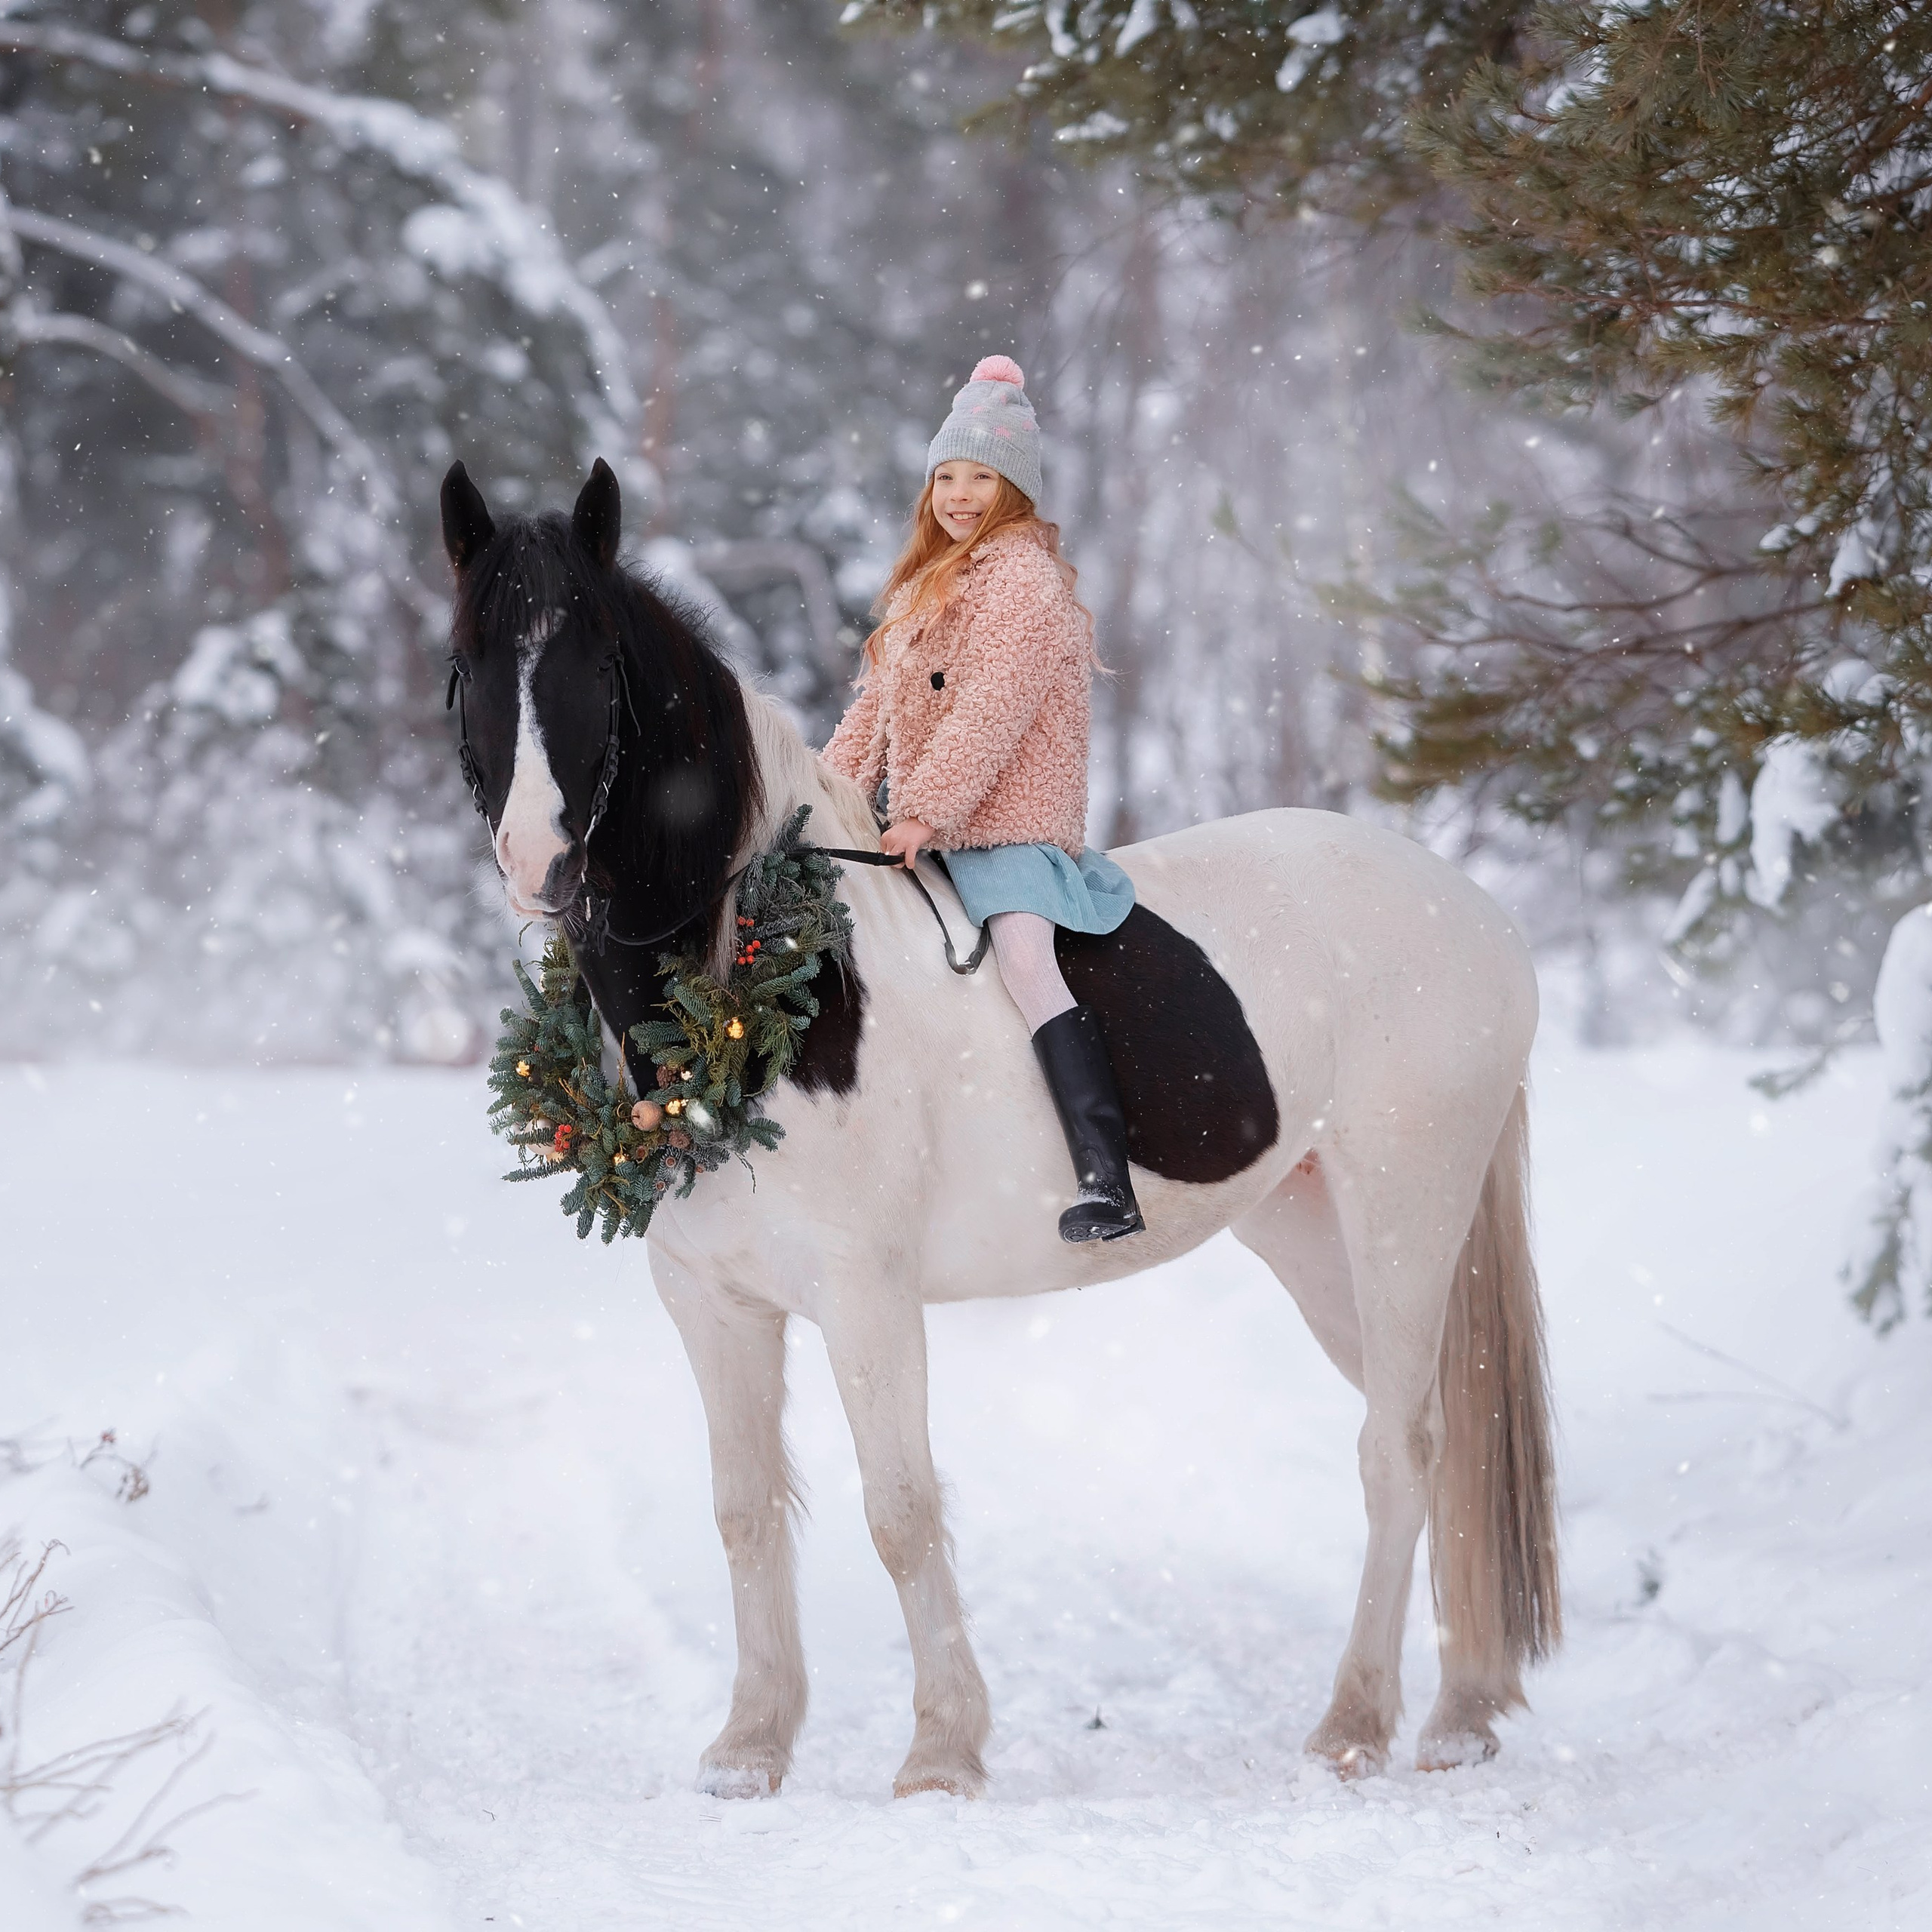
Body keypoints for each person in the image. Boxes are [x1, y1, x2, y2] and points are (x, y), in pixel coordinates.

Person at [822, 355, 1144, 1242]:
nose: (960, 494)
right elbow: (872, 718)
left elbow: (989, 712)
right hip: (928, 825)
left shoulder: (1024, 585)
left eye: (981, 477)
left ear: (1013, 490)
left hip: (1004, 828)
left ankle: (1105, 1173)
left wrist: (922, 811)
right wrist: (819, 806)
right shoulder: (927, 588)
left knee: (1023, 959)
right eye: (947, 476)